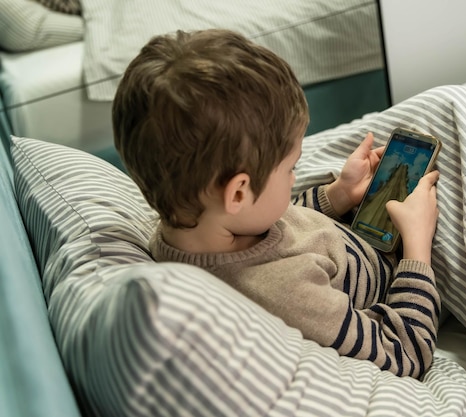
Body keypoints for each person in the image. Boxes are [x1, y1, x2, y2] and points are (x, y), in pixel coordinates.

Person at [113, 28, 441, 379]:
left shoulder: (196, 218)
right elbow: (405, 352)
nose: (295, 177)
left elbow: (282, 221)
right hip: (409, 282)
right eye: (290, 168)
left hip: (362, 232)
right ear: (238, 192)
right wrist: (417, 248)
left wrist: (338, 195)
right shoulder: (286, 294)